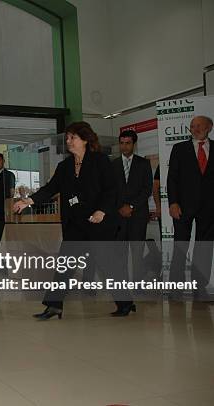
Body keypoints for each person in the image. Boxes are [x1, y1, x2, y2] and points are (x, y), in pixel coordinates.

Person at [14, 121, 134, 320]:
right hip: (75, 225)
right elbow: (50, 189)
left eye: (73, 137)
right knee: (65, 265)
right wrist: (29, 200)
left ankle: (125, 302)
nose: (68, 141)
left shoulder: (100, 161)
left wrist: (102, 211)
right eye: (67, 138)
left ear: (85, 140)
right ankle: (54, 306)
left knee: (108, 265)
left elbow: (112, 190)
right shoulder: (65, 166)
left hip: (99, 223)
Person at [167, 115, 214, 298]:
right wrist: (173, 202)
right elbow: (173, 178)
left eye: (199, 126)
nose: (195, 129)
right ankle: (175, 289)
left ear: (209, 127)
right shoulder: (179, 149)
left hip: (210, 208)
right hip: (183, 206)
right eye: (192, 126)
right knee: (180, 246)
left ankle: (199, 288)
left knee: (204, 248)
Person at [113, 130, 152, 281]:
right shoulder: (113, 165)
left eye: (128, 143)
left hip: (138, 214)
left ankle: (138, 283)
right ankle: (121, 284)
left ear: (134, 144)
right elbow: (110, 191)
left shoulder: (144, 164)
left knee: (137, 251)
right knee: (119, 252)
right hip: (119, 215)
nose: (124, 146)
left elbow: (147, 189)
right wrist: (120, 208)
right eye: (121, 143)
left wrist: (131, 206)